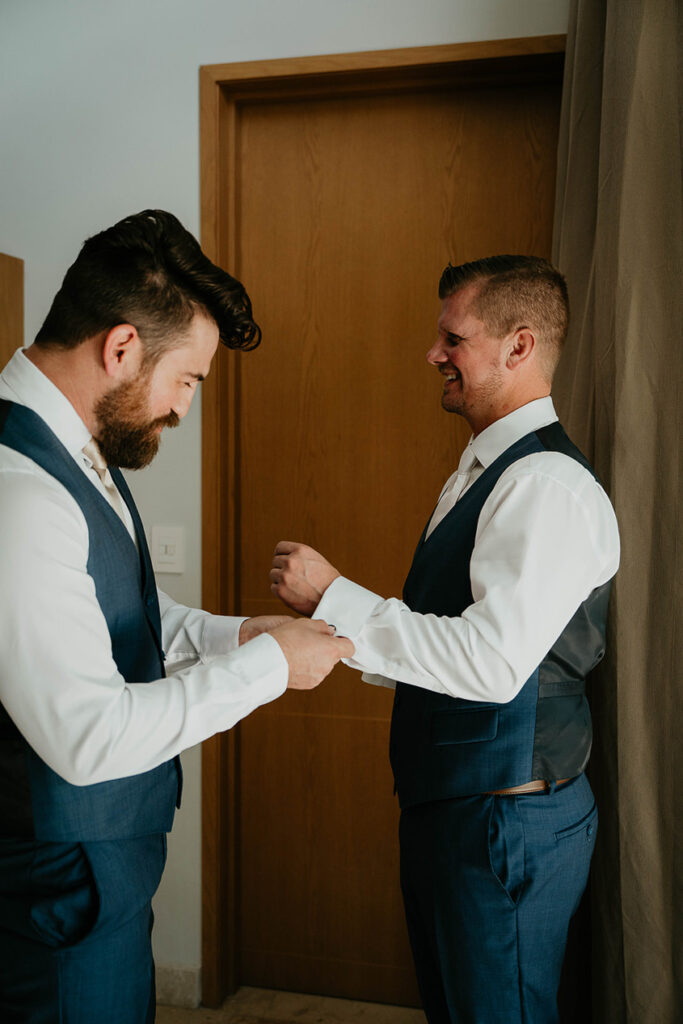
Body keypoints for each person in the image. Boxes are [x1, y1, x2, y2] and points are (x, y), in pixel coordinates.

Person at [0, 209, 353, 1023]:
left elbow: (119, 611)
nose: (185, 410)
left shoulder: (76, 449)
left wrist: (236, 636)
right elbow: (85, 737)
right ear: (121, 348)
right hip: (51, 898)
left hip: (98, 878)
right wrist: (268, 670)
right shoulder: (21, 494)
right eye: (187, 380)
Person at [270, 255, 620, 1024]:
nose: (433, 354)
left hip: (505, 823)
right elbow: (457, 640)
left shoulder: (543, 488)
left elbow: (491, 665)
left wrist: (336, 595)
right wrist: (329, 634)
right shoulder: (483, 471)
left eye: (451, 337)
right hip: (462, 810)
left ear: (517, 347)